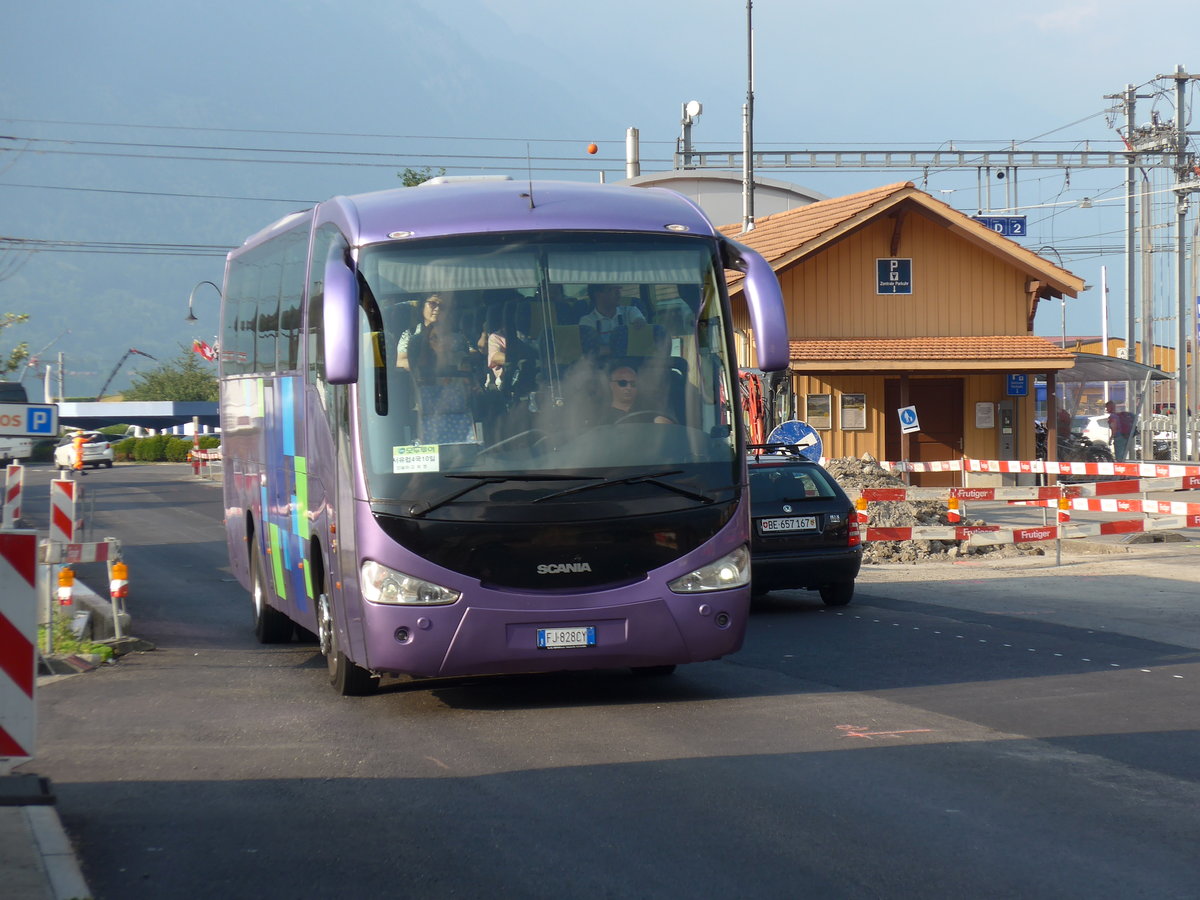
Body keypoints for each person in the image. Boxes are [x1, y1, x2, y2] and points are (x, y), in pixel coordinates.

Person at [579, 284, 646, 356]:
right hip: (602, 365)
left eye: (618, 288)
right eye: (611, 290)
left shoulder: (631, 311)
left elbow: (641, 325)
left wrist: (640, 324)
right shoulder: (587, 321)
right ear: (598, 295)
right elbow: (591, 352)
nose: (618, 293)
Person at [598, 364, 672, 425]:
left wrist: (663, 422)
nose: (628, 387)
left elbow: (669, 433)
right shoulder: (602, 415)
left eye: (633, 384)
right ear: (611, 385)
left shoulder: (650, 409)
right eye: (622, 383)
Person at [396, 293, 446, 369]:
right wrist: (424, 366)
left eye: (441, 306)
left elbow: (466, 359)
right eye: (433, 303)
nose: (437, 309)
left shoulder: (455, 336)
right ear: (422, 307)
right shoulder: (410, 334)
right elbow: (400, 362)